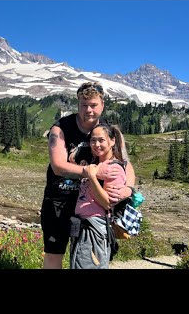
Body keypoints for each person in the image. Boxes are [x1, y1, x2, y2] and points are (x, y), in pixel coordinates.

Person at [41, 81, 135, 269]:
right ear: (78, 105)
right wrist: (92, 171)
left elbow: (126, 164)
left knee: (89, 258)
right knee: (53, 254)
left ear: (102, 105)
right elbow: (58, 166)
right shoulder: (60, 129)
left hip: (92, 206)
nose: (89, 110)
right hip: (59, 200)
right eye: (84, 105)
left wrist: (128, 189)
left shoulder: (110, 132)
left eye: (93, 105)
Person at [69, 123, 127, 269]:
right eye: (93, 140)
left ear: (112, 141)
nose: (96, 144)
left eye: (101, 140)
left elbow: (107, 203)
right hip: (83, 227)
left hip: (94, 228)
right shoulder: (95, 165)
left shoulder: (114, 169)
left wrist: (93, 178)